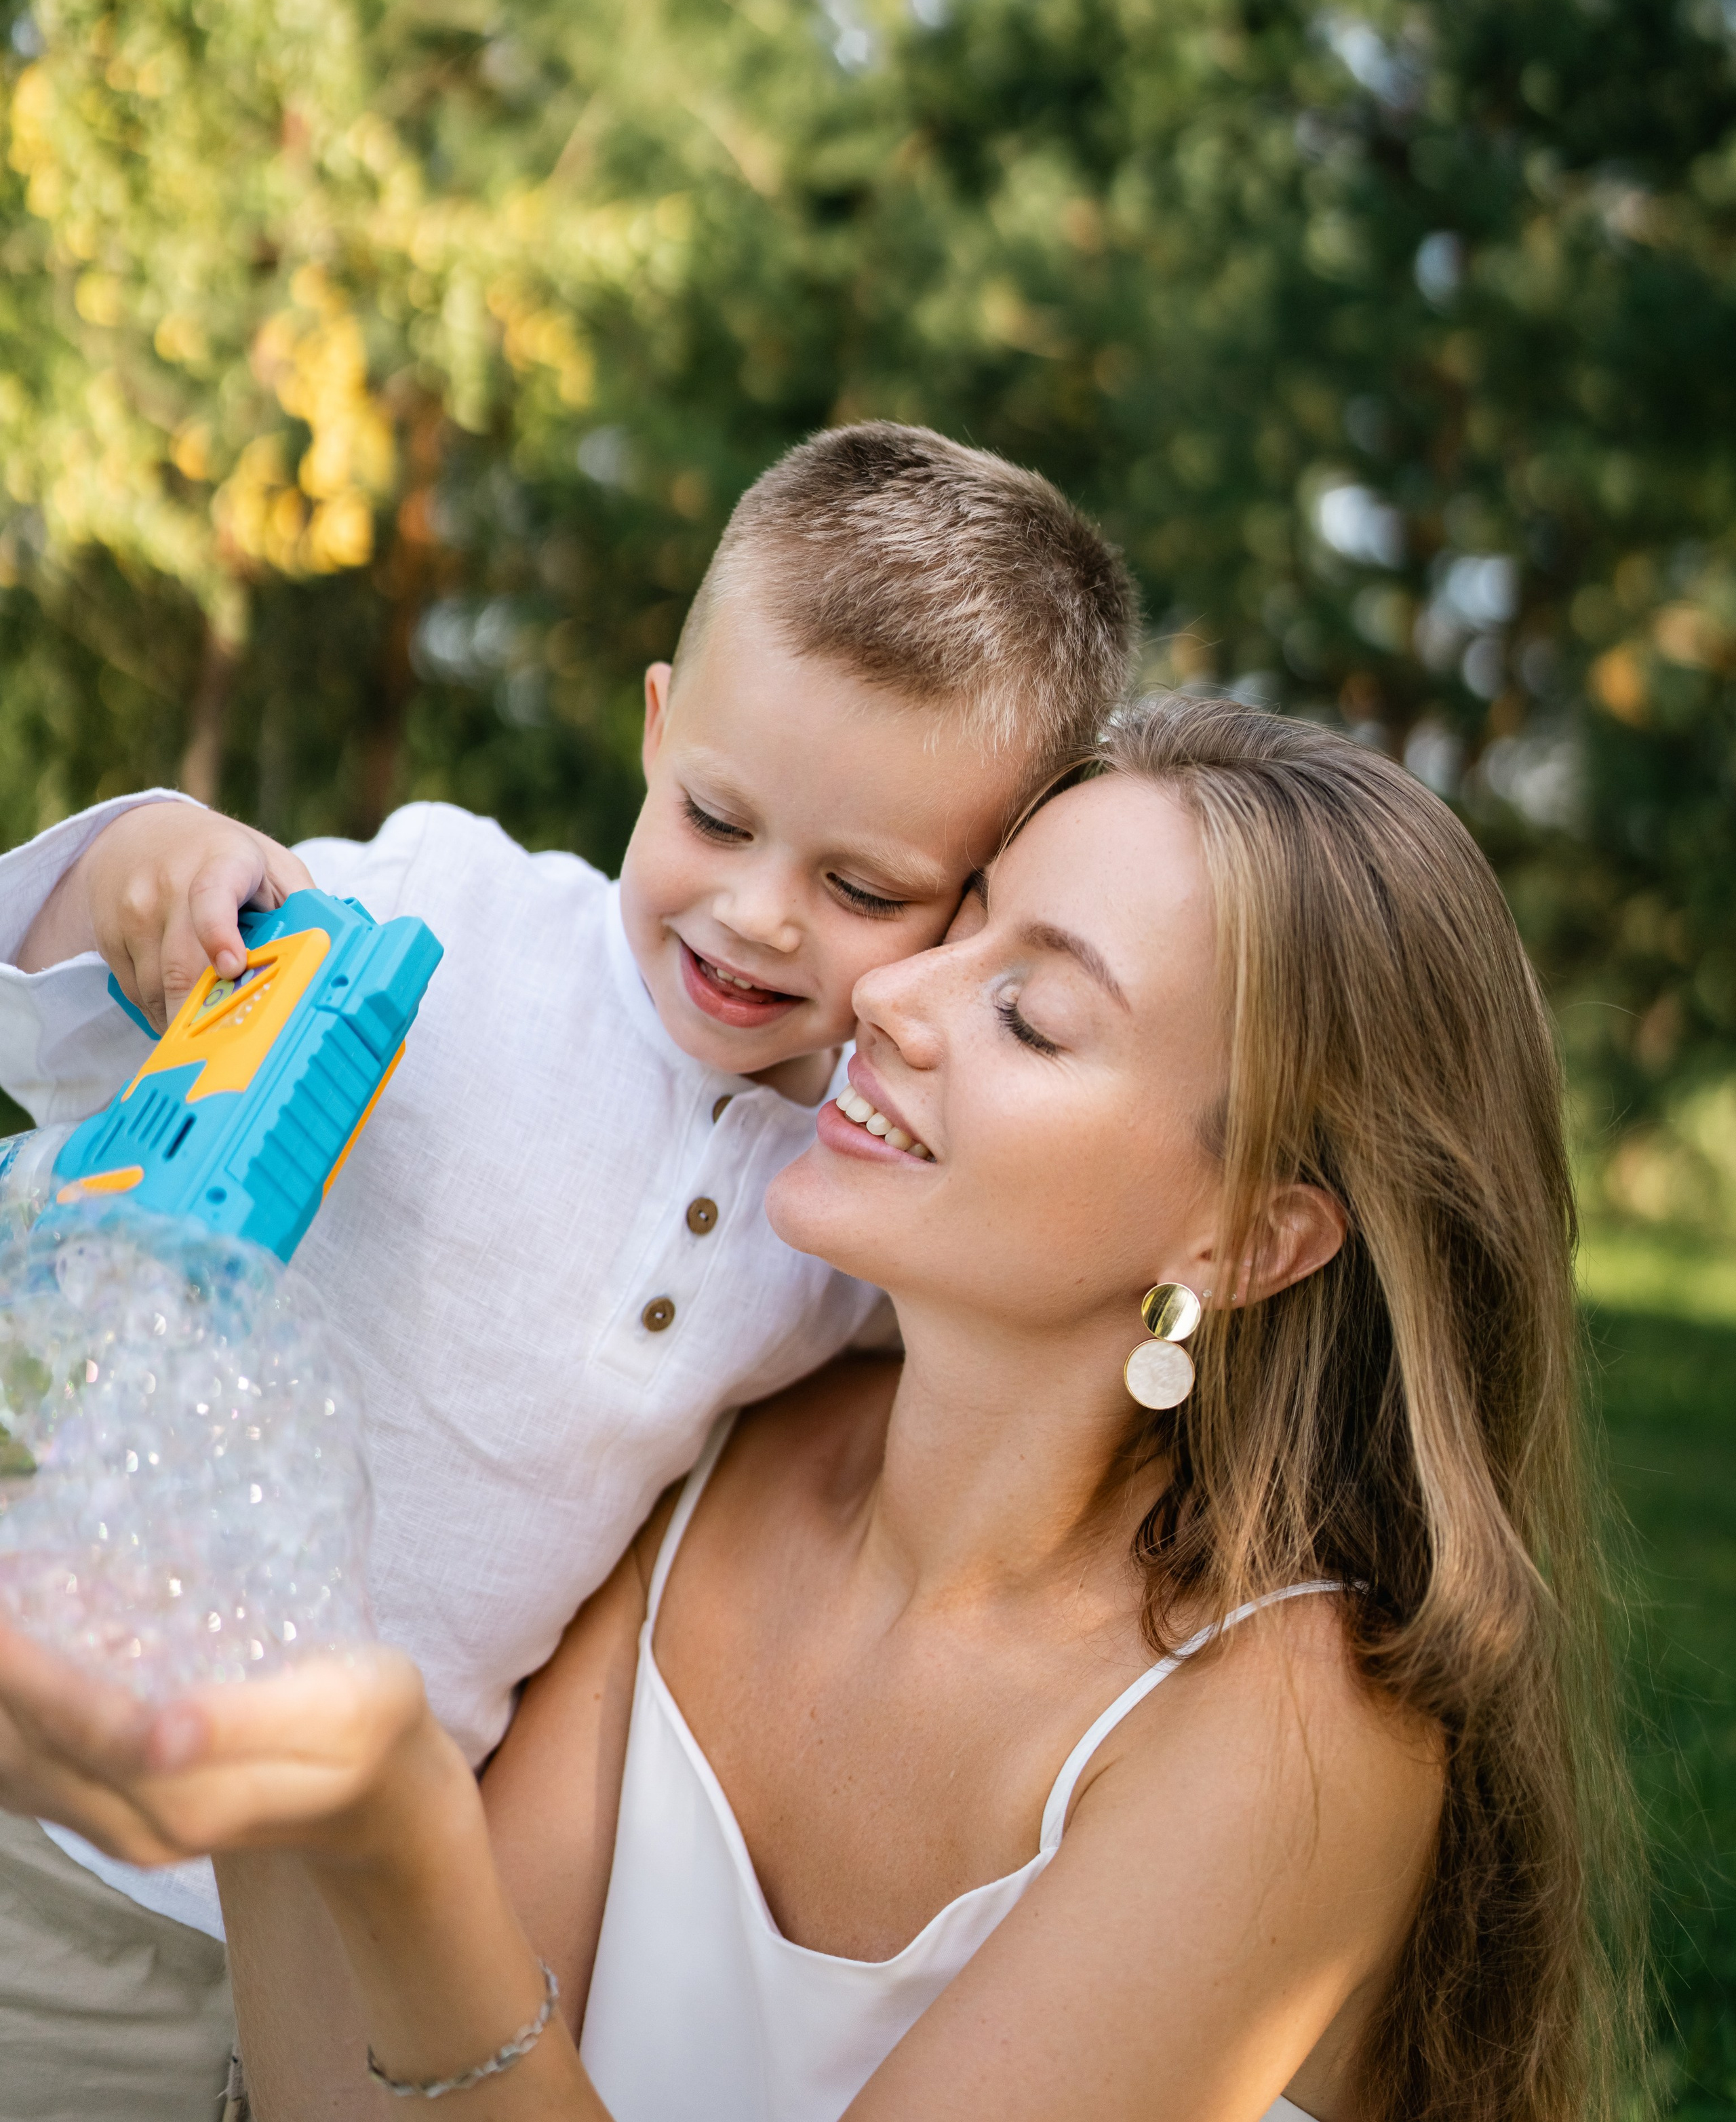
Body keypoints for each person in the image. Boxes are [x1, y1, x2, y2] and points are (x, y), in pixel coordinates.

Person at [0, 694, 1638, 2122]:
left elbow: (411, 1949)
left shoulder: (1290, 1735)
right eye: (957, 924)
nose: (888, 999)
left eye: (1031, 1013)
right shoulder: (725, 1462)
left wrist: (394, 1831)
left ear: (1245, 1236)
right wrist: (263, 1693)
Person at [0, 422, 1135, 2117]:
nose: (753, 915)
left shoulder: (858, 1192)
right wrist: (143, 871)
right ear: (660, 725)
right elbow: (94, 1005)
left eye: (860, 886)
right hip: (55, 1796)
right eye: (716, 817)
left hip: (327, 1931)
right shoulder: (451, 916)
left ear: (975, 903)